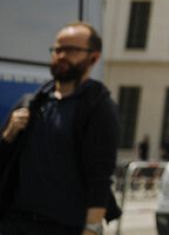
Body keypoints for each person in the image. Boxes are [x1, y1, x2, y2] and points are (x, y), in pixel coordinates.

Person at [0, 22, 119, 235]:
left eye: (72, 50)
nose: (62, 55)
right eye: (58, 49)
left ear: (93, 58)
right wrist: (8, 136)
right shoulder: (31, 103)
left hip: (64, 227)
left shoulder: (98, 108)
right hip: (16, 223)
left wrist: (91, 229)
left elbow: (100, 176)